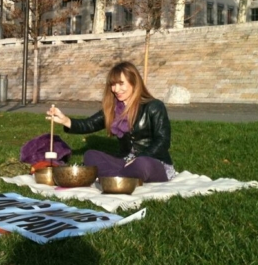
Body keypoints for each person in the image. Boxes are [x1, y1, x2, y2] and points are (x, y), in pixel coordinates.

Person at [46, 61, 175, 183]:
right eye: (113, 84)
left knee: (141, 165)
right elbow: (89, 124)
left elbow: (162, 141)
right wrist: (66, 120)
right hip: (125, 162)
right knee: (90, 155)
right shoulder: (113, 109)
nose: (116, 89)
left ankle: (113, 178)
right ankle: (121, 177)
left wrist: (139, 158)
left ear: (134, 82)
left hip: (153, 162)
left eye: (121, 83)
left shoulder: (154, 106)